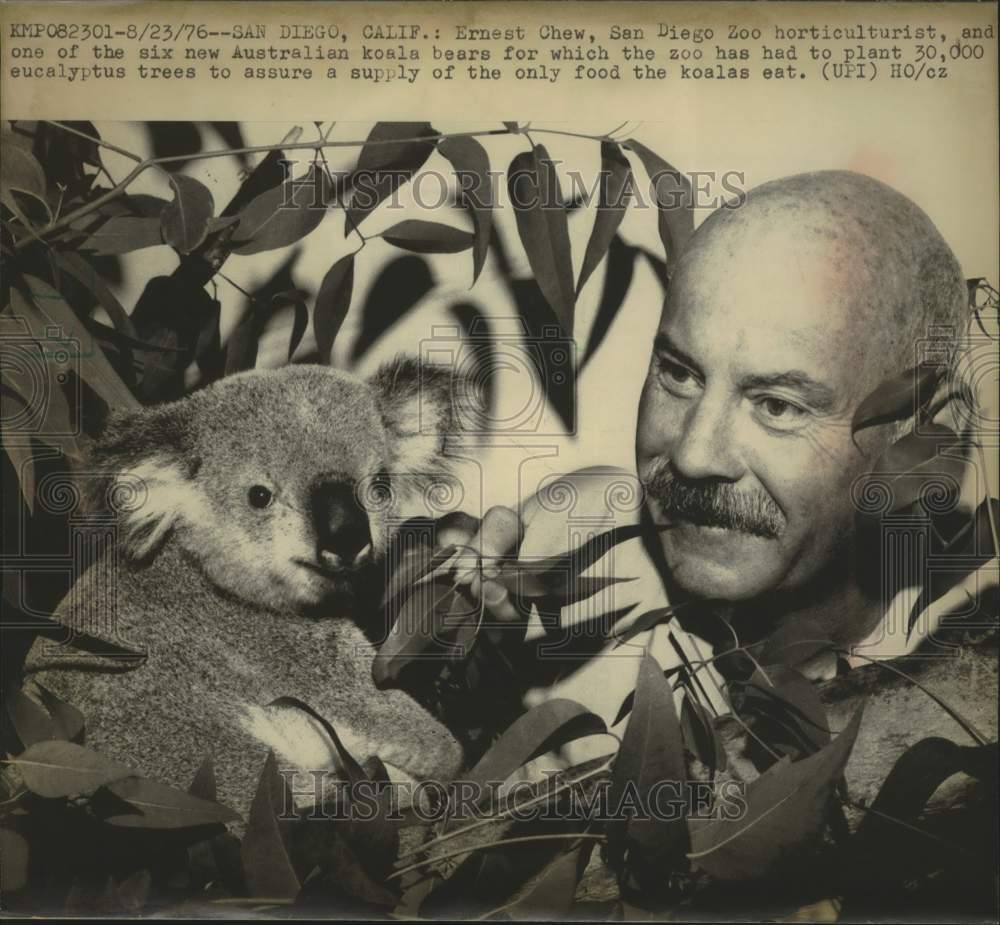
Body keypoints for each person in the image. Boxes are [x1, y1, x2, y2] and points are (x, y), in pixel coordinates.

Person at [433, 170, 995, 732]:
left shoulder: (969, 677)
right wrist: (455, 671)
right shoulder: (567, 544)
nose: (693, 456)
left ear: (926, 441)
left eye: (776, 406)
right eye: (679, 374)